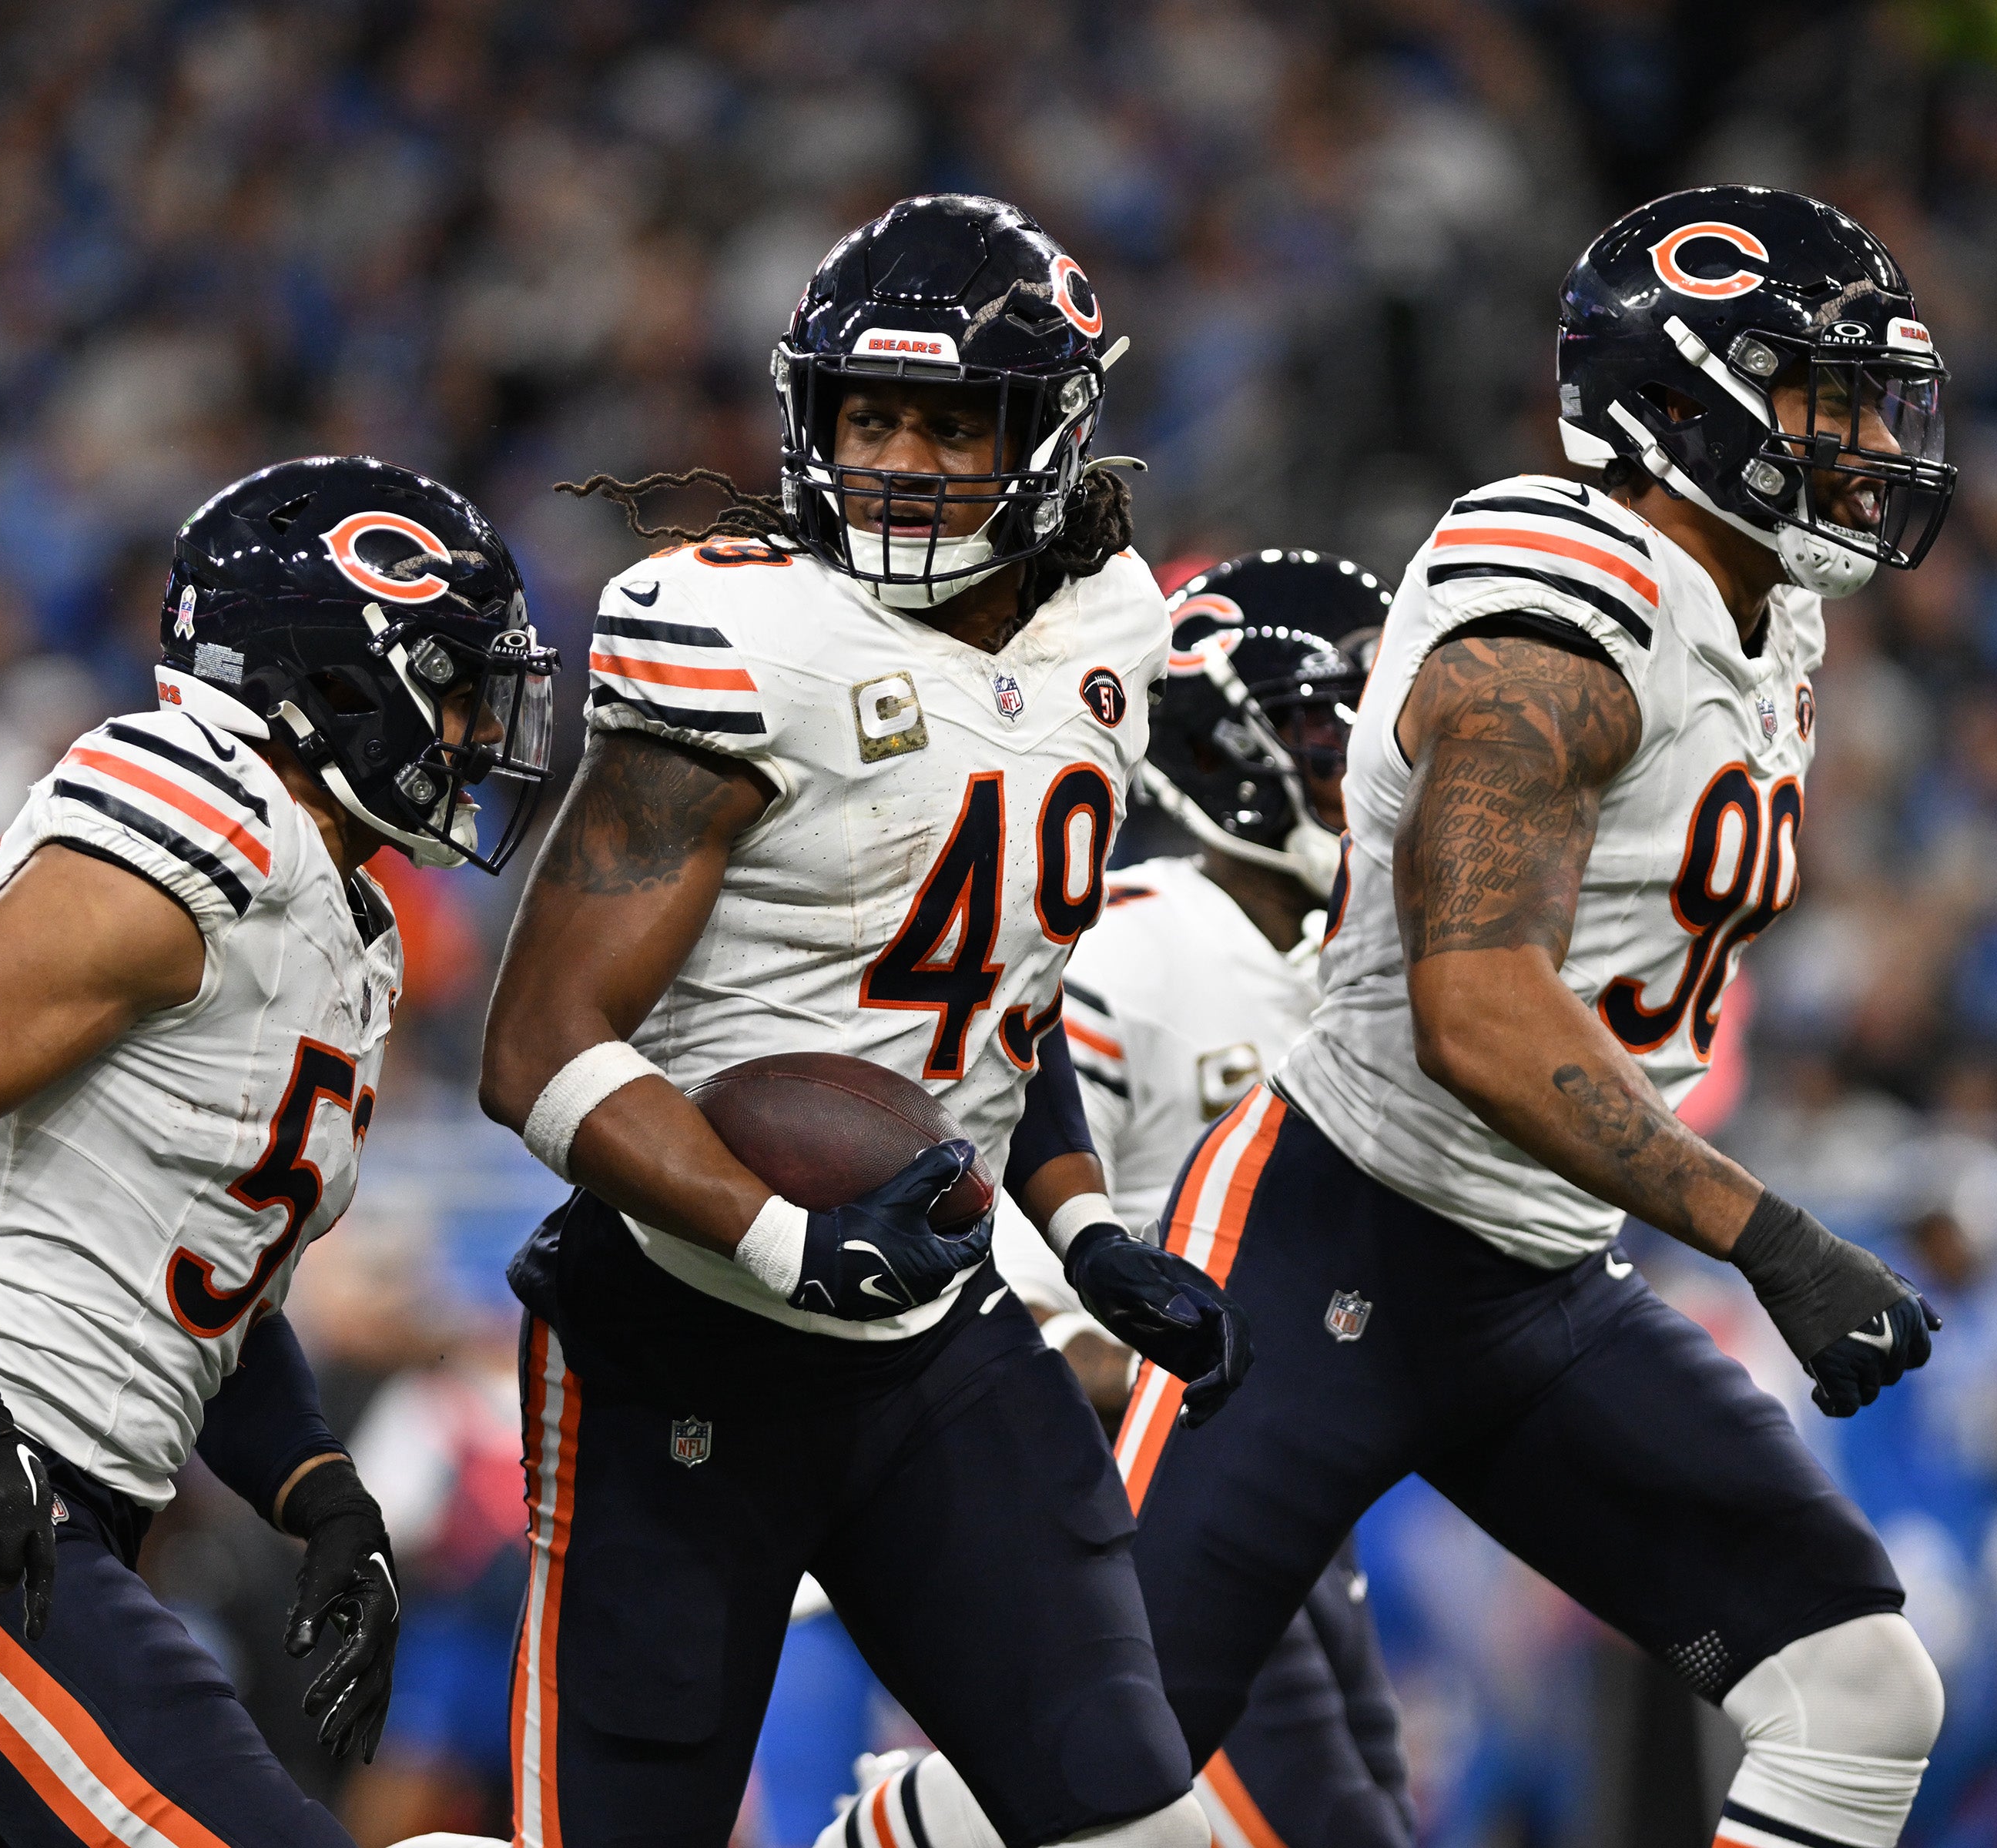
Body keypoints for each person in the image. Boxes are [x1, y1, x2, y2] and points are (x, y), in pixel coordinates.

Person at [886, 183, 1966, 1848]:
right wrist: (1767, 1235)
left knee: (1859, 1690)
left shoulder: (1774, 608)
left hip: (1533, 1279)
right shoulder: (1556, 618)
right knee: (1107, 1783)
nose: (1867, 434)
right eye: (1823, 392)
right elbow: (1475, 1006)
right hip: (1341, 1238)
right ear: (1690, 405)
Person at [477, 193, 1246, 1848]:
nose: (898, 459)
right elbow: (536, 1046)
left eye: (951, 424)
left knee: (1146, 1830)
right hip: (681, 1326)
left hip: (932, 1338)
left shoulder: (1112, 628)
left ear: (1049, 437)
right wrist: (778, 1240)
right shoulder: (744, 634)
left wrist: (1088, 1228)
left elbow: (993, 1009)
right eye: (869, 415)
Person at [0, 458, 558, 1847]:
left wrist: (324, 1499)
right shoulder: (211, 805)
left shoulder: (334, 919)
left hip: (33, 1495)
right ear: (336, 682)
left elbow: (209, 1289)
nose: (485, 729)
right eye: (455, 683)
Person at [848, 554, 1413, 1848]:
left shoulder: (1377, 956)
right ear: (1231, 749)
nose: (1370, 765)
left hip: (1297, 1485)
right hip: (1156, 1482)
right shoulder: (1132, 947)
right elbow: (1014, 1284)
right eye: (1335, 728)